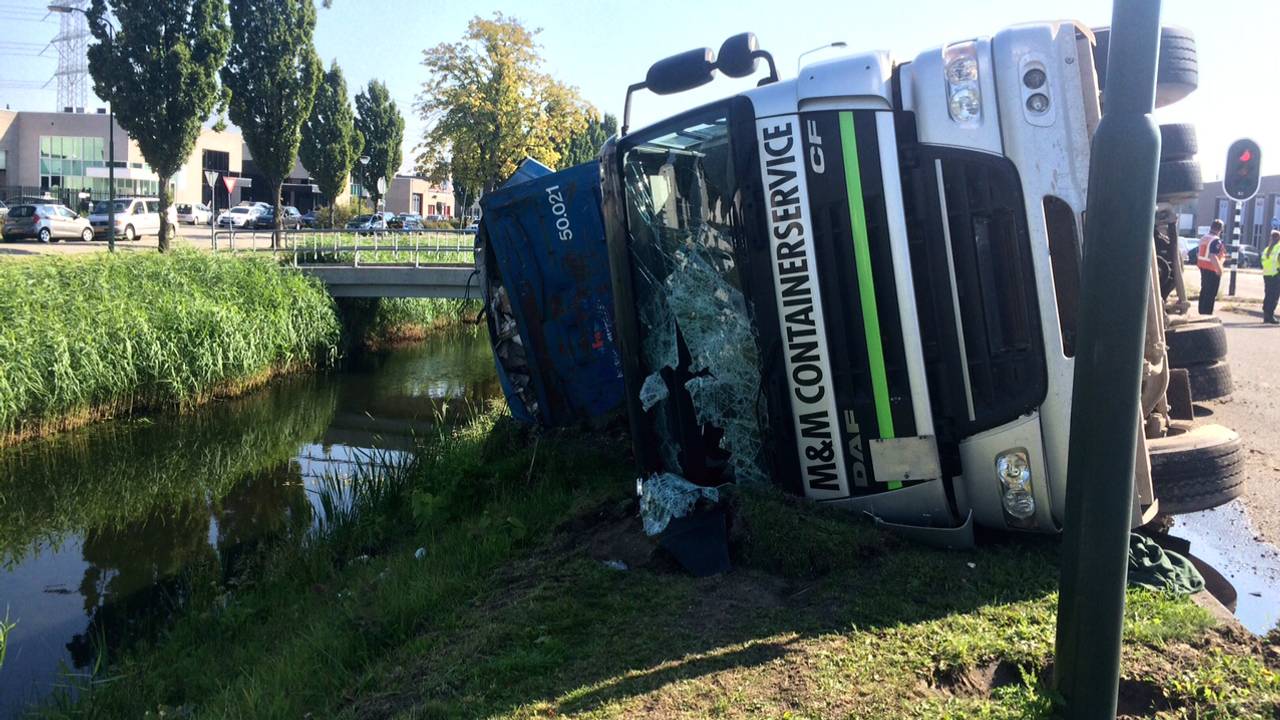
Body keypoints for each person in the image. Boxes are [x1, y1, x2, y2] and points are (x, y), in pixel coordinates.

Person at [1197, 219, 1227, 316]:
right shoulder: (1215, 240)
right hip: (1212, 269)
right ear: (1220, 229)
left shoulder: (1204, 238)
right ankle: (1207, 314)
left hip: (1203, 267)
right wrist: (1219, 270)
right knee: (1211, 293)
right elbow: (1213, 256)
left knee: (1204, 290)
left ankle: (1201, 312)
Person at [1263, 229, 1280, 324]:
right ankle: (1270, 315)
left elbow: (1263, 262)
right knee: (1274, 296)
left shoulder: (1267, 249)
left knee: (1268, 295)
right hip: (1276, 275)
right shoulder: (1279, 248)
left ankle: (1266, 315)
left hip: (1267, 275)